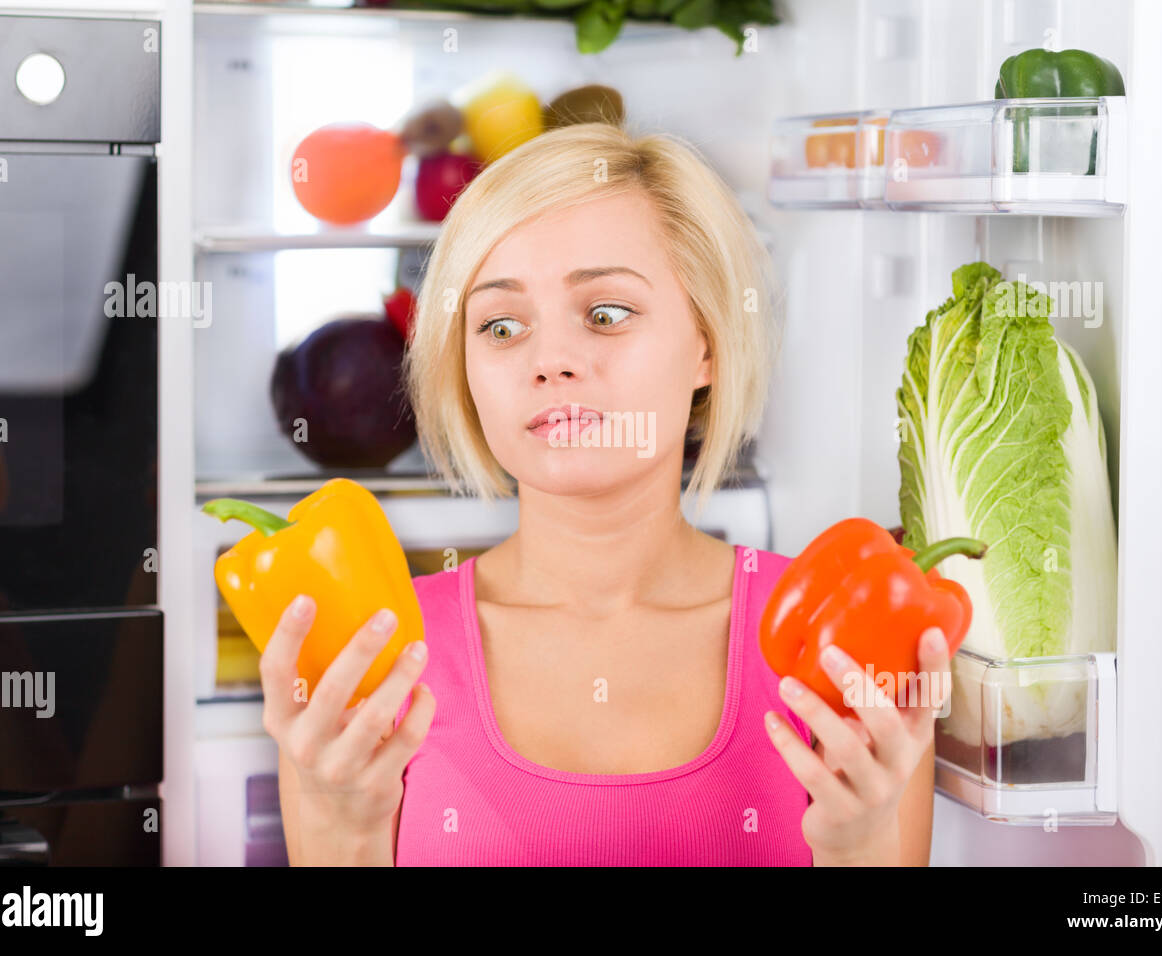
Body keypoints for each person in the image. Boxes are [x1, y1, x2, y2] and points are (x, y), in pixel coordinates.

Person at [264, 122, 949, 866]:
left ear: (707, 344)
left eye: (606, 314)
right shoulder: (374, 659)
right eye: (500, 325)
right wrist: (341, 831)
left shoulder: (845, 642)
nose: (551, 360)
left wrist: (863, 848)